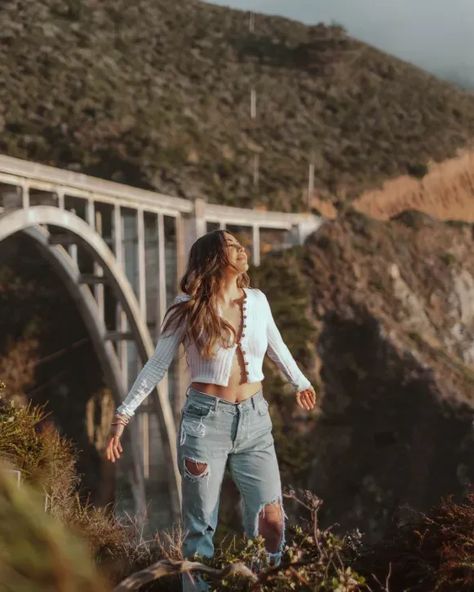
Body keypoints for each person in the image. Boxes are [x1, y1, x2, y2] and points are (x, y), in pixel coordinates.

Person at [105, 229, 317, 591]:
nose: (242, 250)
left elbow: (277, 348)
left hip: (255, 420)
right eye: (232, 246)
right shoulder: (187, 306)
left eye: (239, 244)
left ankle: (263, 585)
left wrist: (301, 382)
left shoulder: (258, 300)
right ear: (214, 259)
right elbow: (157, 365)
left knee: (272, 519)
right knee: (200, 529)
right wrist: (123, 415)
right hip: (205, 423)